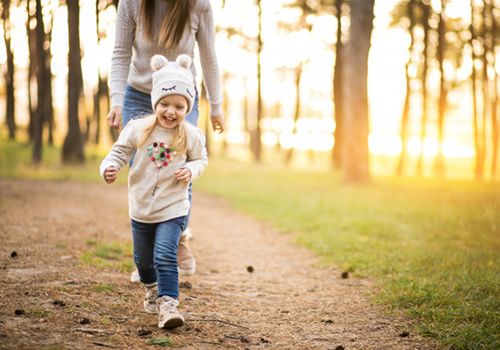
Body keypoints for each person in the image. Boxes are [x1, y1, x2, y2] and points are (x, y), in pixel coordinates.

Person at [107, 0, 223, 276]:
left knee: (180, 165)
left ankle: (178, 237)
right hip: (139, 93)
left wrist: (216, 106)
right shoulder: (132, 3)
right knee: (143, 166)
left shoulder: (199, 6)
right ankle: (146, 250)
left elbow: (209, 56)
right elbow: (121, 52)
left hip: (181, 96)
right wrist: (116, 100)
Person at [101, 54, 208, 328]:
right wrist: (109, 167)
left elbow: (200, 159)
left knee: (164, 255)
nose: (171, 111)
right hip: (141, 209)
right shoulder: (138, 129)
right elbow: (119, 152)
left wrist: (192, 170)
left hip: (173, 208)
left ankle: (169, 304)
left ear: (188, 108)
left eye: (179, 106)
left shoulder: (191, 135)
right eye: (165, 104)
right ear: (155, 102)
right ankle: (151, 288)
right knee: (144, 262)